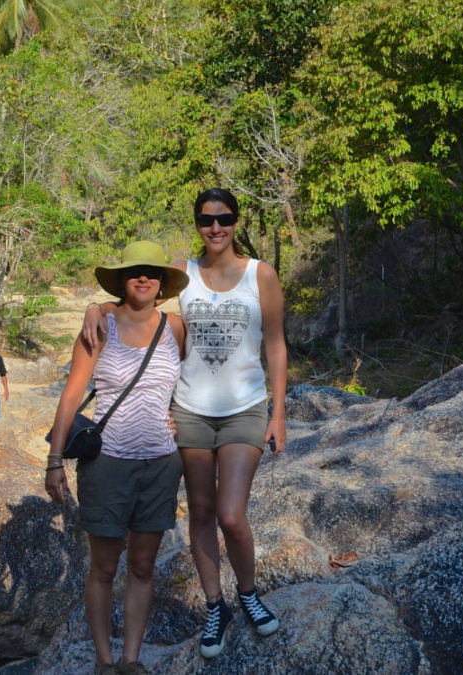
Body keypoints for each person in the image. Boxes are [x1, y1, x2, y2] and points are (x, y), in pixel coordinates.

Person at [82, 188, 287, 659]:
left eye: (225, 218)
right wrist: (97, 308)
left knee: (231, 514)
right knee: (200, 512)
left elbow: (276, 344)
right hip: (190, 410)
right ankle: (216, 606)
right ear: (197, 223)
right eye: (206, 219)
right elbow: (138, 302)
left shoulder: (261, 274)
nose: (216, 228)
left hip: (245, 408)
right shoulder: (183, 274)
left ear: (236, 222)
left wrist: (278, 412)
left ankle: (248, 593)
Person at [46, 240, 188, 675]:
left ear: (162, 282)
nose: (143, 278)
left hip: (161, 464)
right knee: (104, 567)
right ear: (122, 280)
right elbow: (72, 394)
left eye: (152, 272)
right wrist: (54, 460)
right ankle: (104, 662)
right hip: (108, 463)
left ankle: (131, 660)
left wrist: (180, 417)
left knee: (143, 566)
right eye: (134, 272)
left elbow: (192, 382)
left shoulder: (176, 327)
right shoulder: (99, 328)